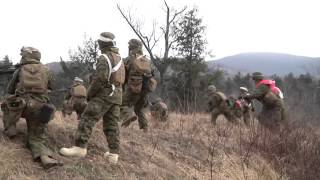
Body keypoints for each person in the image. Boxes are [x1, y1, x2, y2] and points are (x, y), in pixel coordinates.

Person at [59, 32, 125, 164]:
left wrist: (89, 94)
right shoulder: (119, 58)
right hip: (117, 96)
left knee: (87, 118)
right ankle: (113, 154)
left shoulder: (104, 58)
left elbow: (99, 80)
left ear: (102, 44)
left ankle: (79, 147)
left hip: (104, 95)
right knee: (111, 124)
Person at [2, 46, 62, 169]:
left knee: (5, 105)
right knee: (37, 137)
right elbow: (52, 87)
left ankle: (11, 128)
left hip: (20, 106)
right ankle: (44, 157)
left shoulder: (19, 70)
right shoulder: (46, 70)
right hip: (40, 107)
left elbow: (9, 90)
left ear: (26, 56)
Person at [120, 39, 157, 132]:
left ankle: (128, 116)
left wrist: (122, 86)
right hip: (145, 89)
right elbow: (153, 73)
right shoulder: (147, 60)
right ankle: (145, 128)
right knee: (139, 108)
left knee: (123, 103)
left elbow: (123, 74)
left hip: (133, 87)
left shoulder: (129, 60)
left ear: (131, 47)